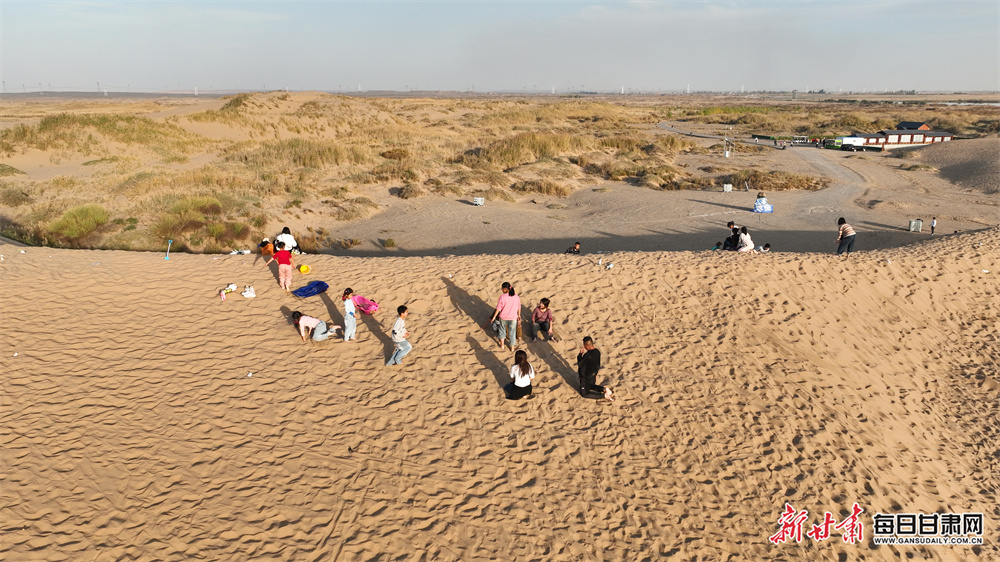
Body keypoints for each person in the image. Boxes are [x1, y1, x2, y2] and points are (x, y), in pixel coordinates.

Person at [577, 336, 613, 401]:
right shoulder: (597, 352)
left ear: (587, 346)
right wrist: (595, 374)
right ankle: (604, 389)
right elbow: (598, 365)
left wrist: (580, 354)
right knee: (591, 386)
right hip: (593, 375)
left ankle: (604, 395)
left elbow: (580, 364)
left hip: (585, 377)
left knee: (584, 393)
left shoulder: (587, 355)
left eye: (584, 345)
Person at [488, 282, 521, 351]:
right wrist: (519, 315)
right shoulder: (516, 297)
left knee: (502, 331)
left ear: (505, 289)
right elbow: (519, 308)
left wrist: (494, 317)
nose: (501, 290)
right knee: (512, 332)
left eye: (502, 288)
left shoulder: (502, 297)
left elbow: (498, 308)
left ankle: (502, 345)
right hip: (513, 318)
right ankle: (512, 348)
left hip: (503, 317)